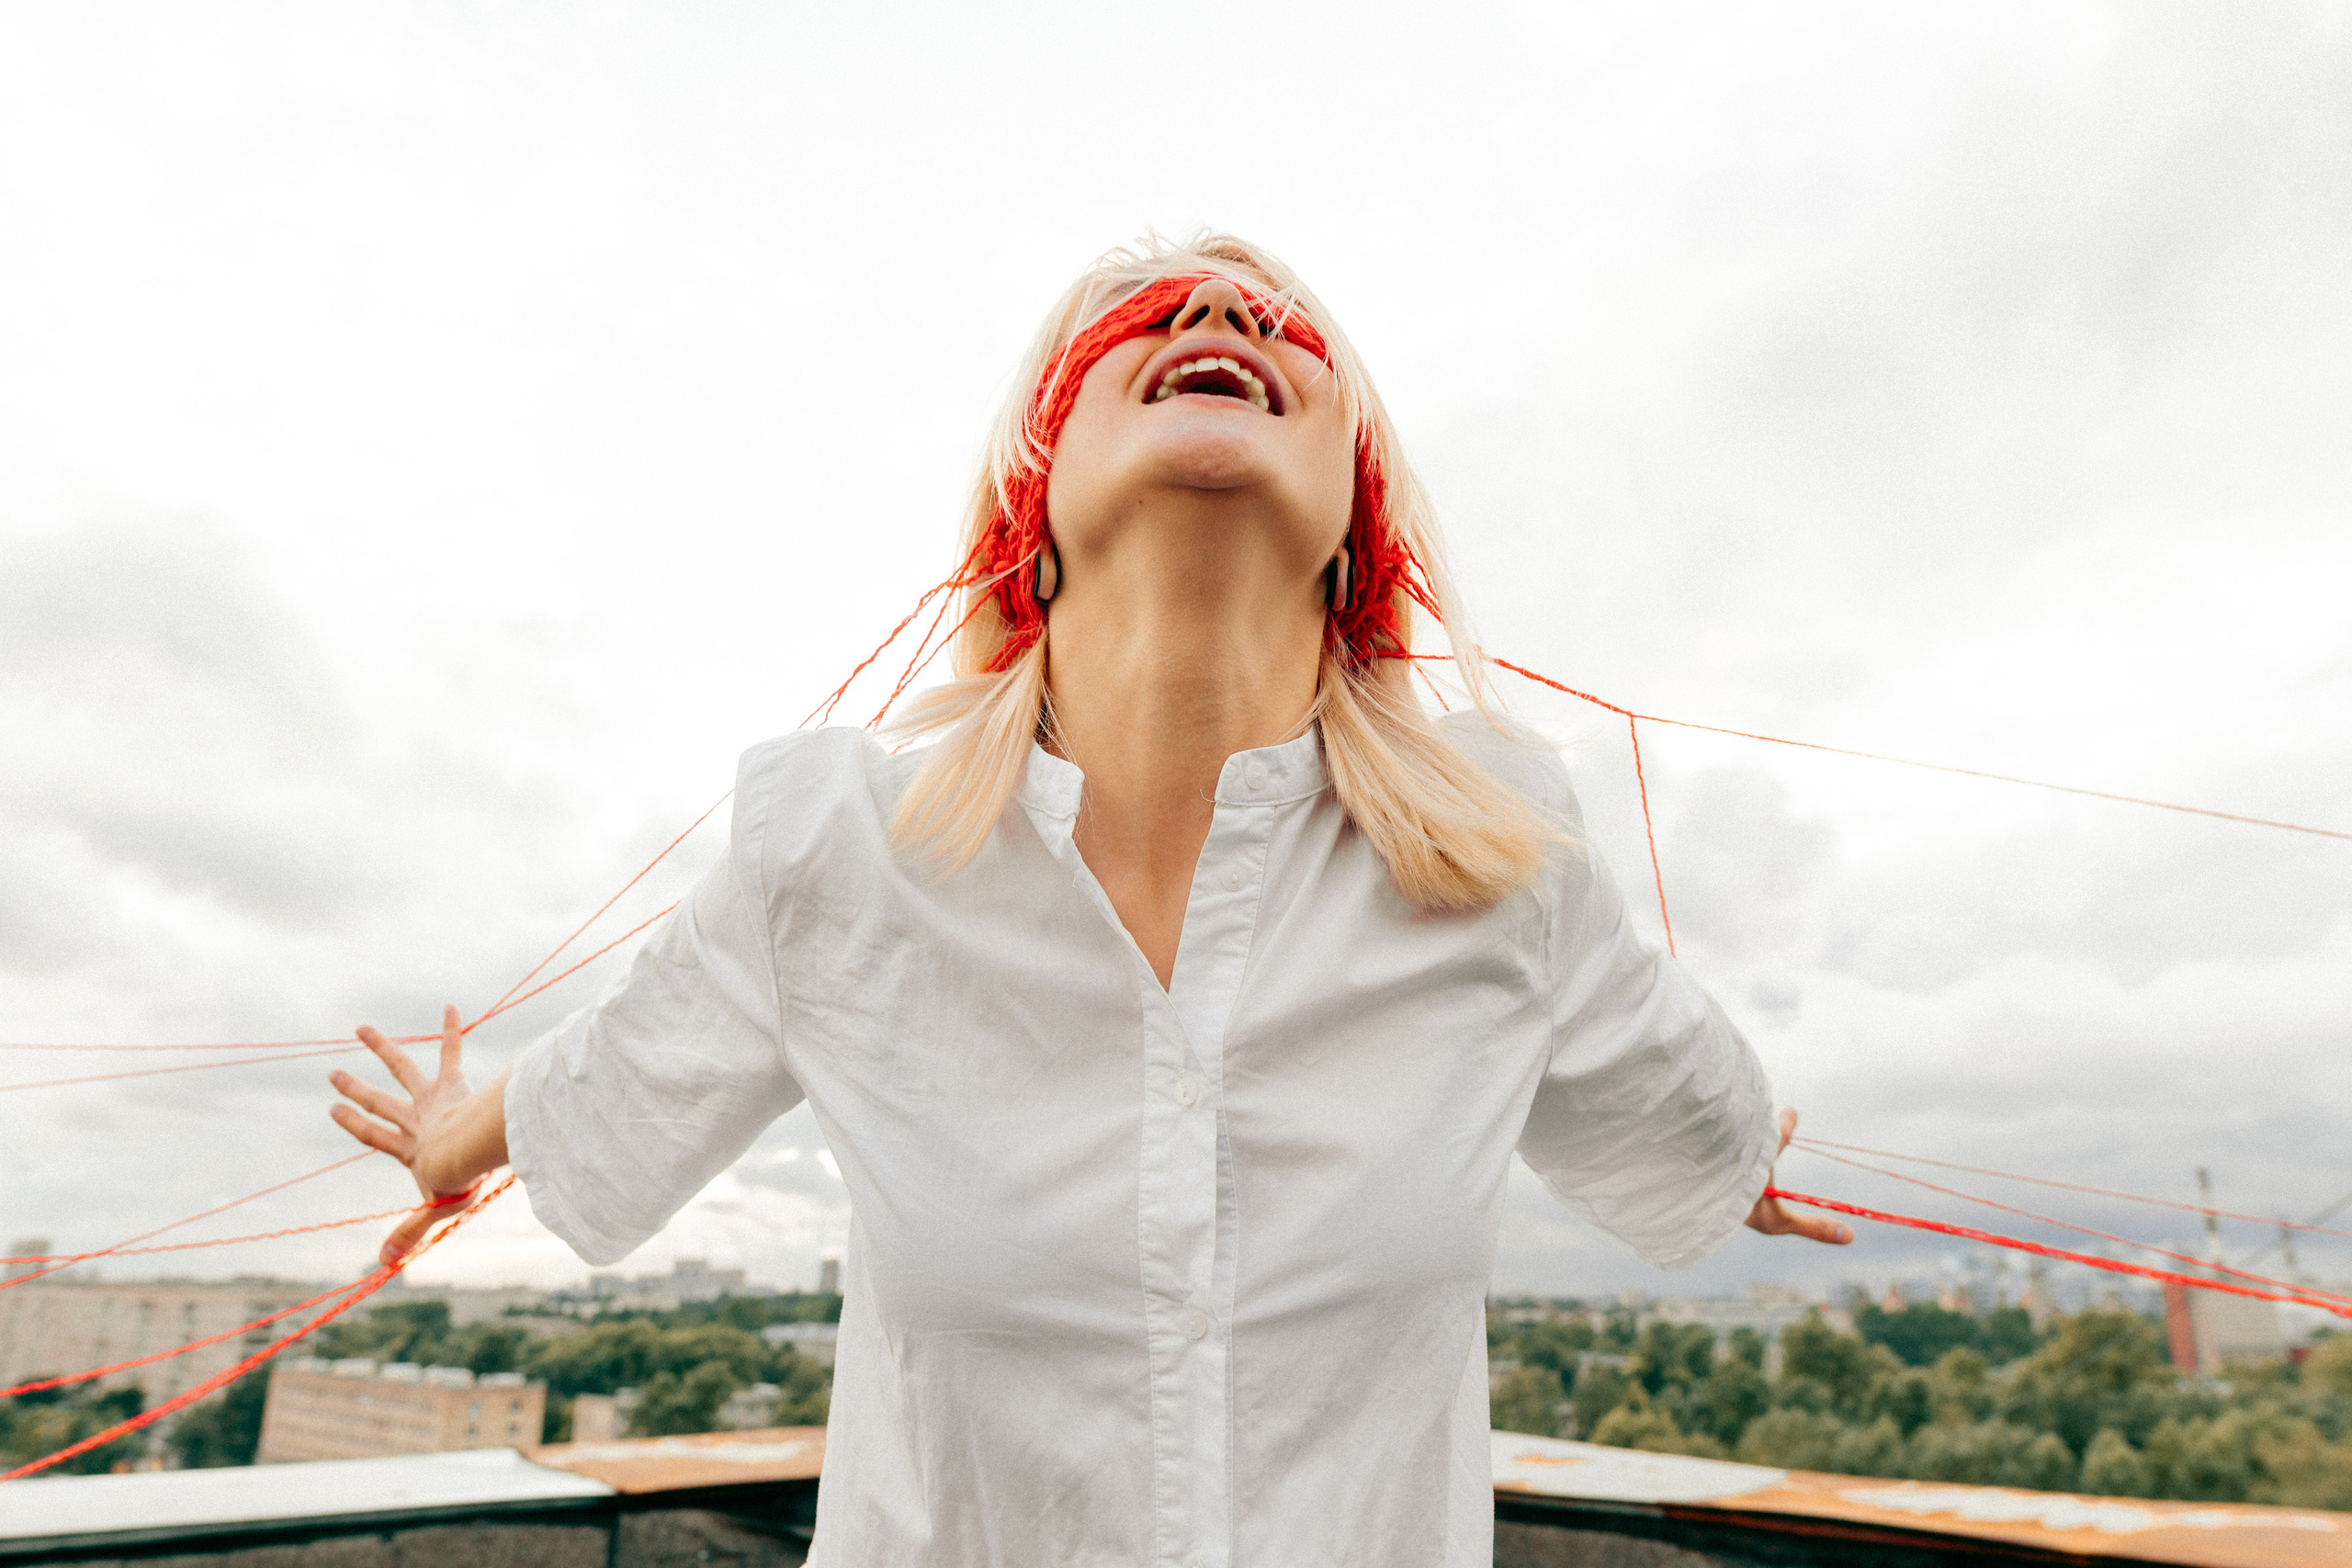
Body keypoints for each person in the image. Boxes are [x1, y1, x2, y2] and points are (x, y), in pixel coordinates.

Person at [329, 231, 1849, 1568]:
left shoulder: (1510, 858)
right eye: (1147, 317)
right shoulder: (835, 852)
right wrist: (450, 1134)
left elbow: (1704, 1136)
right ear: (1031, 510)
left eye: (1285, 327)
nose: (1227, 319)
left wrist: (1732, 1148)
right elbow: (592, 1099)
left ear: (1353, 534)